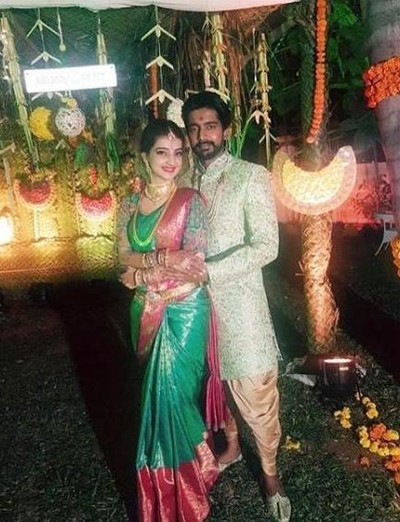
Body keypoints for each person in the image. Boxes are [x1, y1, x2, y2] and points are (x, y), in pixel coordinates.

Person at [178, 91, 291, 522]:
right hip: (194, 307)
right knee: (214, 381)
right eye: (194, 128)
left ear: (226, 130)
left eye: (210, 126)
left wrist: (209, 272)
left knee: (256, 390)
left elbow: (266, 245)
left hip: (240, 306)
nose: (202, 136)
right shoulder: (183, 182)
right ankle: (231, 445)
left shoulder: (250, 176)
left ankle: (271, 475)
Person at [117, 119, 221, 522]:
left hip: (184, 309)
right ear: (145, 156)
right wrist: (160, 261)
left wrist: (141, 275)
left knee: (175, 396)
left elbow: (194, 263)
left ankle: (192, 483)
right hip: (144, 311)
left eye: (179, 153)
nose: (172, 161)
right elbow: (121, 254)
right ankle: (164, 491)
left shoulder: (191, 200)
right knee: (153, 398)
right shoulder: (129, 203)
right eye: (162, 152)